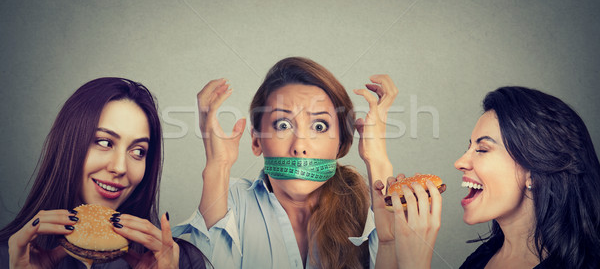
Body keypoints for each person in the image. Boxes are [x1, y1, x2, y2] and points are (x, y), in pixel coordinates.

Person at [173, 57, 398, 268]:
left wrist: (377, 159)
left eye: (319, 126)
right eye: (283, 125)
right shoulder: (230, 201)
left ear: (340, 144)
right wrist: (217, 166)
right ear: (256, 141)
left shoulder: (368, 212)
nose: (299, 146)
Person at [375, 86, 600, 269]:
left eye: (482, 149)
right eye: (469, 147)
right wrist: (388, 243)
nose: (459, 162)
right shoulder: (482, 258)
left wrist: (416, 265)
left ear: (533, 170)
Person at [0, 77, 209, 268]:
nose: (119, 167)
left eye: (138, 151)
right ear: (67, 144)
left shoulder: (181, 261)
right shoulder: (8, 257)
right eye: (104, 142)